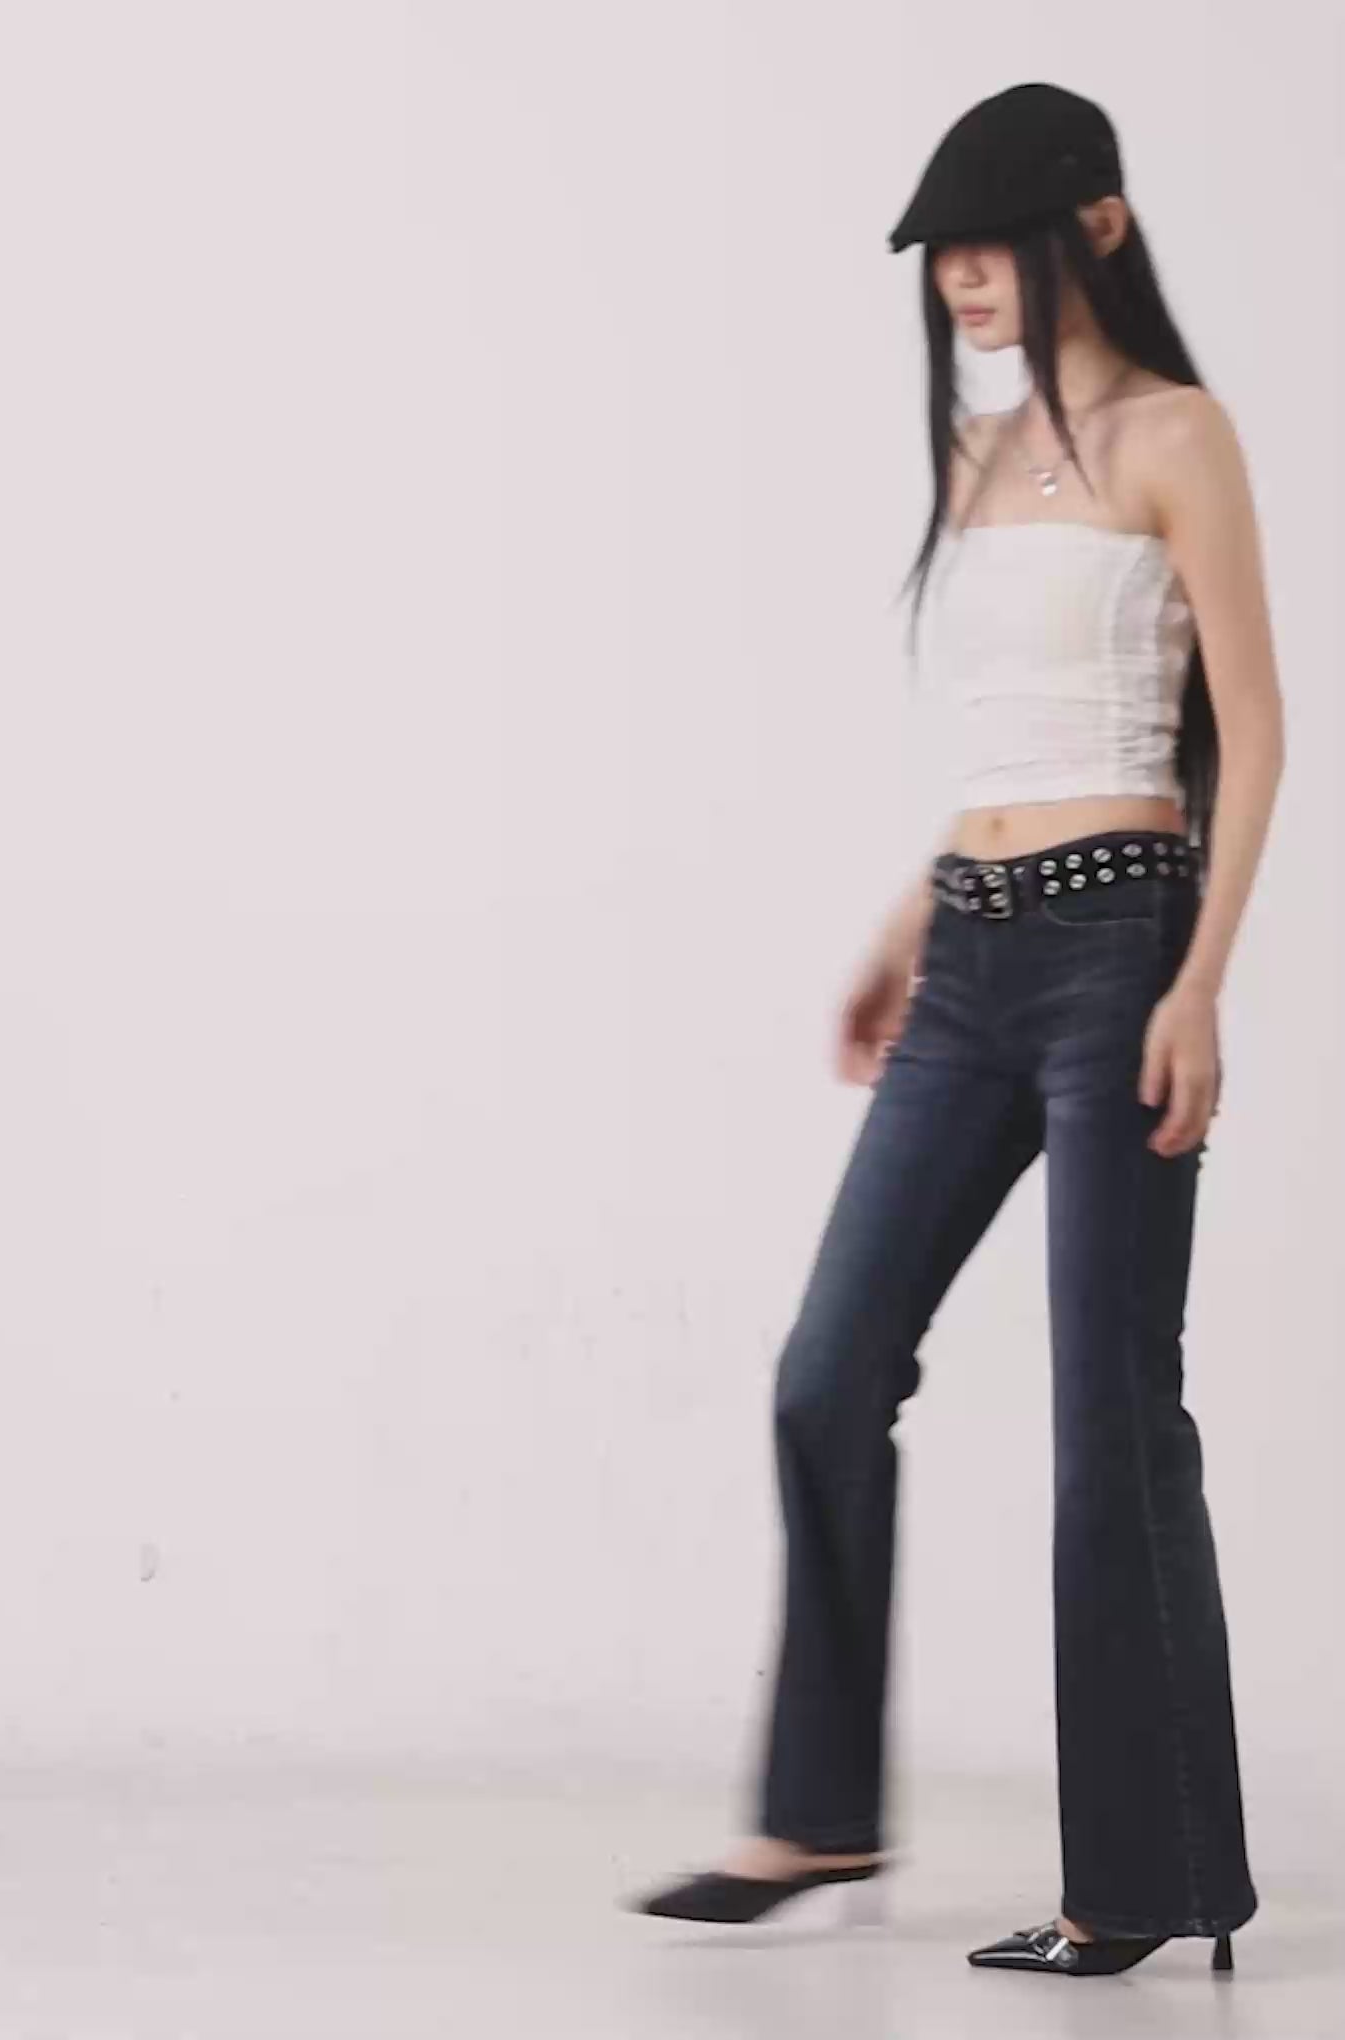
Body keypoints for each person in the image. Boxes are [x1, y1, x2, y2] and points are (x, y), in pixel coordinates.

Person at [622, 82, 1284, 1978]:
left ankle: (1141, 1883)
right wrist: (903, 926)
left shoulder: (1179, 436)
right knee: (829, 1372)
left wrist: (1199, 983)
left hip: (1122, 946)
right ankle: (818, 1816)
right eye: (946, 254)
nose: (967, 279)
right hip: (972, 949)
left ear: (1099, 228)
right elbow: (1010, 749)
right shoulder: (983, 455)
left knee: (1108, 1419)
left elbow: (1247, 731)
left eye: (995, 241)